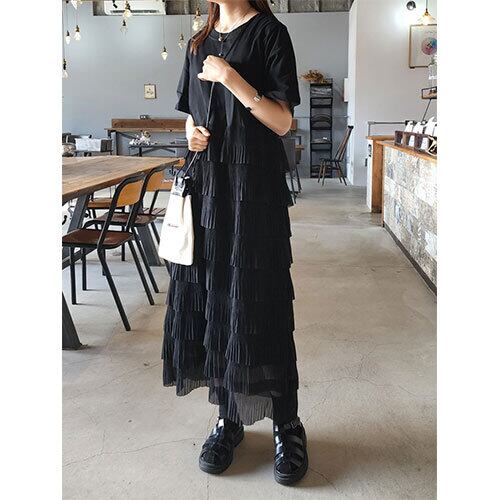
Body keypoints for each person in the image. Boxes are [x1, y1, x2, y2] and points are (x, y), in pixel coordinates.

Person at [162, 0, 308, 485]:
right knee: (216, 302)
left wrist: (231, 79)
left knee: (262, 304)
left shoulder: (270, 33)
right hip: (210, 190)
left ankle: (287, 423)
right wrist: (192, 134)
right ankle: (228, 419)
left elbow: (283, 121)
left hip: (255, 191)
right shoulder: (198, 43)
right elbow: (189, 114)